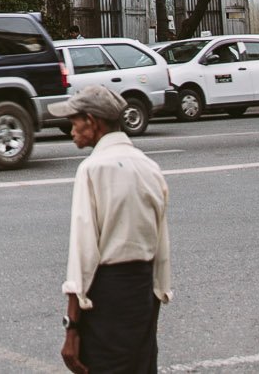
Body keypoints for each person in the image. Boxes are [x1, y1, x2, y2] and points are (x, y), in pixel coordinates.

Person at [51, 84, 171, 374]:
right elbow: (161, 251)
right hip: (142, 295)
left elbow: (82, 255)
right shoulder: (150, 167)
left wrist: (71, 329)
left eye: (74, 121)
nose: (71, 130)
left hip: (107, 296)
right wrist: (153, 305)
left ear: (92, 122)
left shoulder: (92, 169)